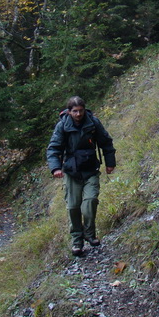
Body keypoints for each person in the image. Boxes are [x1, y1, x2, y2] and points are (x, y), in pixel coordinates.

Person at [46, 96, 116, 256]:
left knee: (90, 202)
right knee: (73, 207)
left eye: (81, 110)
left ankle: (90, 234)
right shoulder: (62, 126)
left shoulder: (93, 123)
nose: (78, 114)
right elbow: (53, 148)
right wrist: (55, 168)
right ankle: (77, 241)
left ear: (85, 110)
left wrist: (110, 162)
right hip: (71, 172)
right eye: (75, 111)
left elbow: (106, 142)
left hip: (91, 169)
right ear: (69, 111)